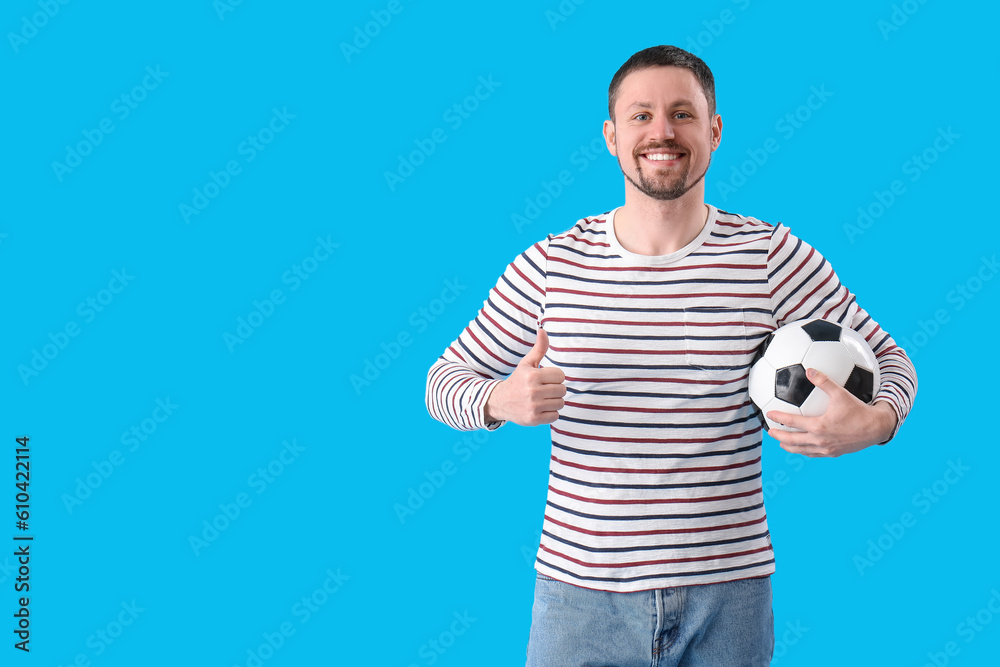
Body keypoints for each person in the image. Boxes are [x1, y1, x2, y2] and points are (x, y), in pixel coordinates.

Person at [424, 45, 917, 667]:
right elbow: (441, 382)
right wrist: (498, 399)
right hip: (580, 600)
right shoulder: (551, 265)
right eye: (641, 115)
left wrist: (876, 424)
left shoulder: (769, 256)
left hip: (729, 596)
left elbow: (891, 362)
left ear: (713, 131)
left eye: (683, 114)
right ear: (610, 136)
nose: (662, 131)